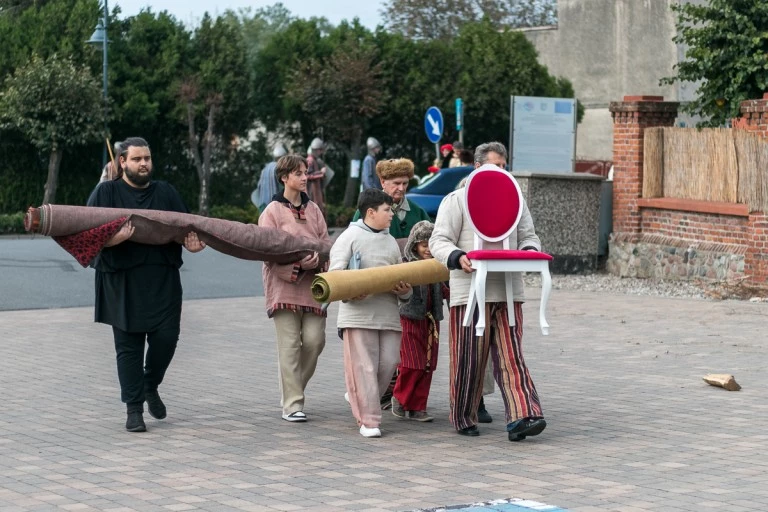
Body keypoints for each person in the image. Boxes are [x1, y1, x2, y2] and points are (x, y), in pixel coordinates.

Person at [87, 136, 206, 433]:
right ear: (122, 162)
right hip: (121, 280)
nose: (143, 164)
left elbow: (187, 227)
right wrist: (112, 240)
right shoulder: (107, 193)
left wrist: (192, 243)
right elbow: (87, 235)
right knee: (128, 347)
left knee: (167, 339)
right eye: (137, 159)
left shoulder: (165, 192)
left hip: (162, 279)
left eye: (147, 158)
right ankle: (134, 409)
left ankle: (150, 384)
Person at [429, 141, 547, 441]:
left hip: (508, 290)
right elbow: (439, 240)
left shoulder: (515, 199)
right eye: (494, 165)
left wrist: (530, 252)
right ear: (478, 167)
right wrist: (458, 257)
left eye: (504, 166)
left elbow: (528, 236)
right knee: (469, 358)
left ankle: (524, 415)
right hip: (469, 292)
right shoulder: (457, 200)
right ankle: (463, 414)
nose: (500, 171)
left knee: (512, 355)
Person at [329, 188, 413, 438]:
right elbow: (334, 275)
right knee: (364, 367)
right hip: (358, 315)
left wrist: (405, 291)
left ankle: (357, 394)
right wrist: (350, 291)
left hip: (388, 314)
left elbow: (400, 279)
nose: (391, 215)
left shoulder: (389, 240)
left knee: (388, 364)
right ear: (370, 212)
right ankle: (369, 420)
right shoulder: (349, 237)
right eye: (387, 210)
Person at [258, 154, 331, 423]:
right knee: (289, 346)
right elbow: (265, 250)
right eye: (299, 173)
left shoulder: (314, 211)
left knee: (314, 341)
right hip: (283, 286)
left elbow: (325, 244)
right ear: (284, 177)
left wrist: (319, 260)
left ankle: (293, 389)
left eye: (305, 173)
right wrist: (297, 263)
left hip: (313, 286)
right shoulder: (272, 211)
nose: (304, 178)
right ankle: (292, 404)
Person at [391, 220, 448, 422]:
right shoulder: (406, 267)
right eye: (424, 244)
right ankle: (400, 398)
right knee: (411, 363)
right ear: (415, 245)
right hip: (409, 320)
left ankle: (418, 406)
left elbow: (446, 291)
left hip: (431, 322)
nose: (429, 249)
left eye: (433, 244)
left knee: (428, 365)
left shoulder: (439, 268)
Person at [352, 158, 431, 241]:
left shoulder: (418, 212)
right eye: (396, 183)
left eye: (405, 183)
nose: (401, 188)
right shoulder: (368, 210)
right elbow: (355, 241)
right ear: (383, 182)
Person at [254, 143, 287, 211]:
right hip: (274, 206)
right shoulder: (279, 168)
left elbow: (259, 186)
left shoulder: (265, 169)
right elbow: (282, 186)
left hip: (263, 204)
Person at [306, 138, 328, 213]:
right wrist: (321, 173)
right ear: (316, 150)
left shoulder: (315, 160)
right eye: (320, 150)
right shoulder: (310, 160)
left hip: (316, 190)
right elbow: (307, 176)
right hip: (312, 191)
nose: (321, 152)